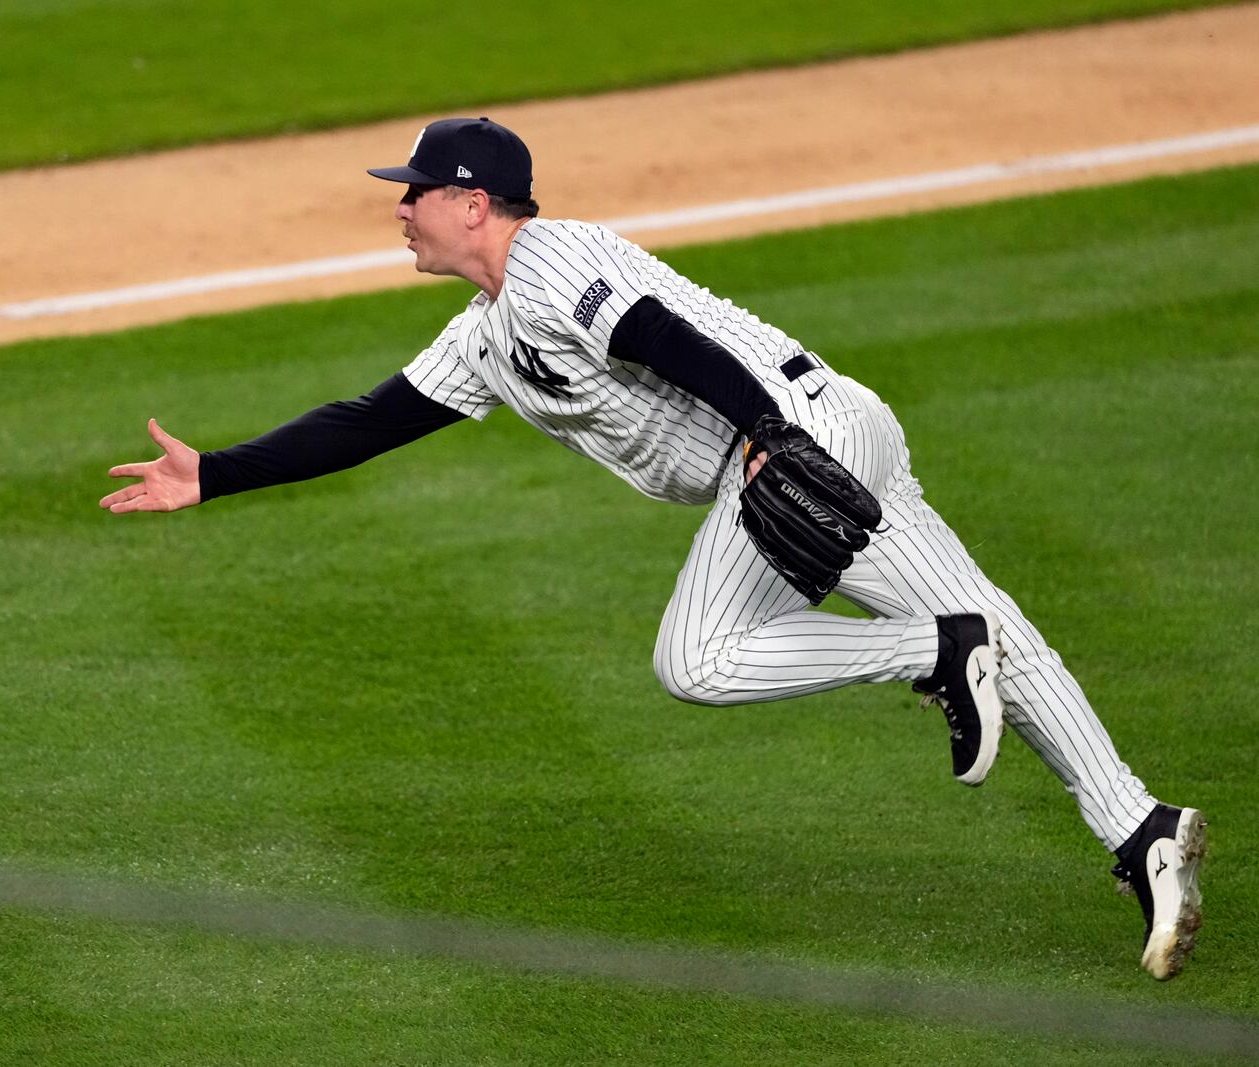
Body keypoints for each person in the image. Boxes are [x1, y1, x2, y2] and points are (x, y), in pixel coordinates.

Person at [100, 117, 1206, 979]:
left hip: (788, 443)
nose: (401, 210)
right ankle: (1140, 826)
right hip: (825, 433)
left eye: (415, 193)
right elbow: (371, 418)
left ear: (473, 203)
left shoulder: (550, 258)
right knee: (997, 632)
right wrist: (218, 472)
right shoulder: (486, 329)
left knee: (701, 657)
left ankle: (926, 652)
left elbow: (654, 335)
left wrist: (766, 438)